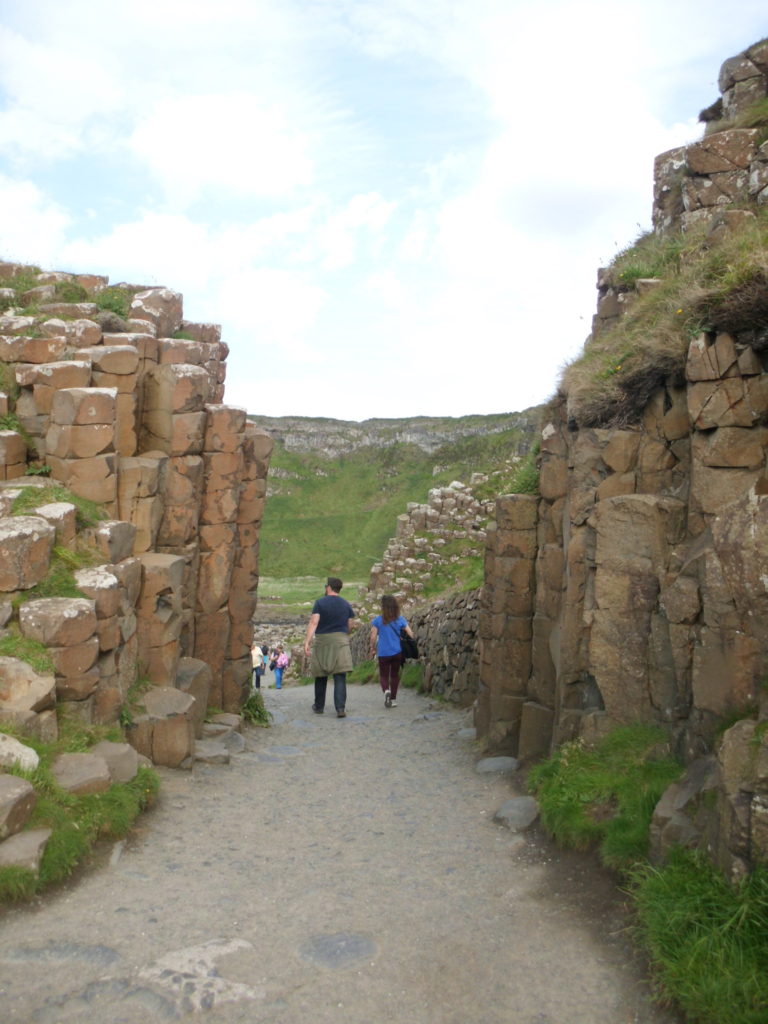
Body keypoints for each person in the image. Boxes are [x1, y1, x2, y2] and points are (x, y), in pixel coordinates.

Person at [304, 576, 355, 718]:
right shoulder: (346, 604)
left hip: (322, 641)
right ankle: (340, 708)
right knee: (340, 675)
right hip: (340, 640)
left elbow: (314, 622)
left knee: (320, 675)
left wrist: (307, 641)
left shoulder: (320, 603)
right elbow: (350, 624)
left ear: (329, 587)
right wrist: (345, 634)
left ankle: (319, 707)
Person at [369, 595, 415, 708]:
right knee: (394, 675)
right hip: (397, 652)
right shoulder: (400, 619)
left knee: (384, 676)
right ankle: (393, 699)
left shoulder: (378, 620)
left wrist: (372, 648)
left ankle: (386, 691)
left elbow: (373, 637)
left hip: (383, 653)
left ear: (383, 607)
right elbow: (411, 634)